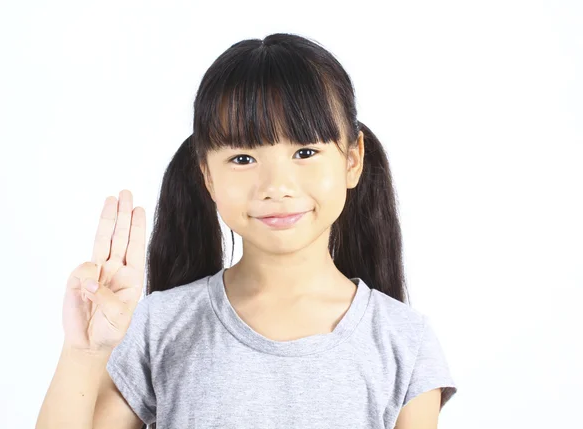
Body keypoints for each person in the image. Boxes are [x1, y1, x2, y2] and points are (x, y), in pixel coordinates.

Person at [37, 33, 457, 429]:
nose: (276, 186)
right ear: (207, 175)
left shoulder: (405, 342)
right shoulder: (157, 326)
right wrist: (84, 352)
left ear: (352, 160)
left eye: (305, 152)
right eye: (242, 158)